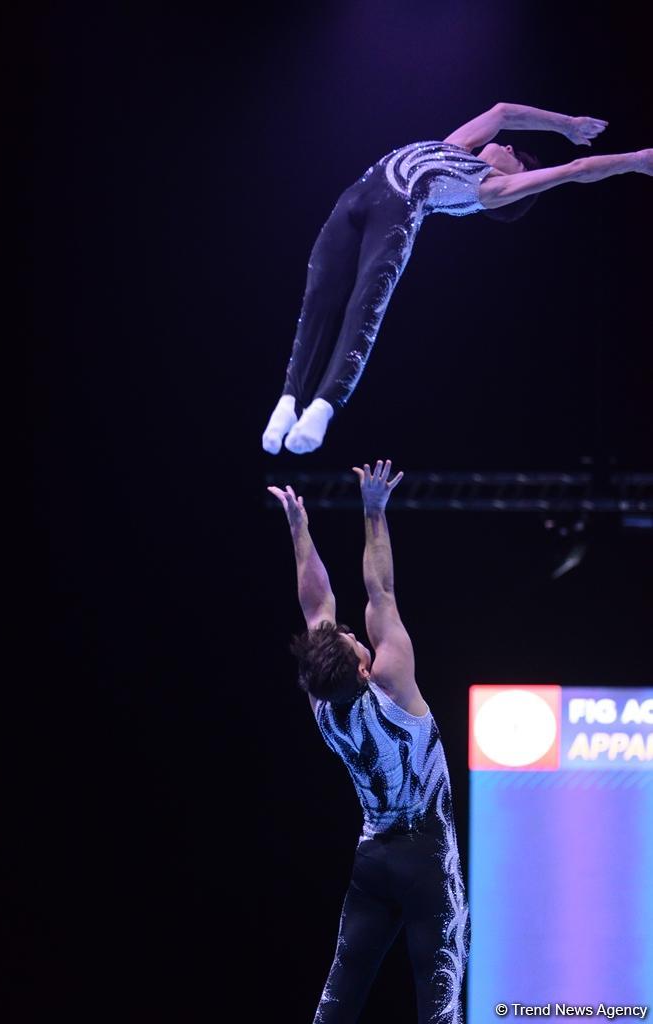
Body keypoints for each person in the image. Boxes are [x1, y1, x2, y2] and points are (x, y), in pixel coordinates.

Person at [262, 102, 653, 455]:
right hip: (354, 199)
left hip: (395, 216)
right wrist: (566, 124)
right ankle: (288, 400)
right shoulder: (457, 146)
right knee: (319, 298)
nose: (511, 147)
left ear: (519, 177)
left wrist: (636, 159)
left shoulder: (494, 189)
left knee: (363, 304)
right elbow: (502, 113)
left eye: (519, 156)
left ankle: (324, 405)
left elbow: (574, 171)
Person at [268, 460, 469, 1023]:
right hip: (428, 857)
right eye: (358, 646)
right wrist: (375, 511)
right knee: (441, 1001)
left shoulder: (322, 706)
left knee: (339, 996)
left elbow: (316, 608)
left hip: (373, 860)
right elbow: (380, 589)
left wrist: (298, 529)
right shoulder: (392, 685)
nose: (357, 639)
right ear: (362, 671)